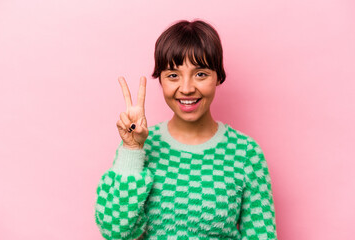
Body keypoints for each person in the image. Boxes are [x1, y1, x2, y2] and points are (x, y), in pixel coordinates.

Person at [95, 20, 277, 240]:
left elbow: (262, 236)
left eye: (201, 74)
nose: (187, 88)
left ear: (218, 76)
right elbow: (115, 232)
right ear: (160, 79)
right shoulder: (140, 146)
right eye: (173, 75)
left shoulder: (245, 153)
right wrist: (132, 149)